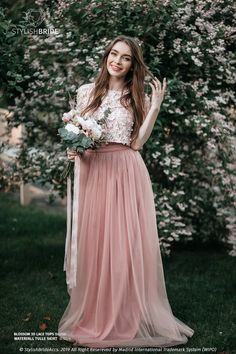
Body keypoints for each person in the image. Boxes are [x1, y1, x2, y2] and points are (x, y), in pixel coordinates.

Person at [58, 35, 194, 348]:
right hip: (95, 171)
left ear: (133, 65)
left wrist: (156, 106)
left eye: (126, 58)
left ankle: (125, 311)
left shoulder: (134, 96)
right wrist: (73, 149)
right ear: (107, 56)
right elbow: (79, 131)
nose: (118, 61)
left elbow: (137, 142)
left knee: (122, 243)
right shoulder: (86, 93)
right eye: (114, 54)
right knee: (97, 242)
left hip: (125, 170)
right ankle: (96, 311)